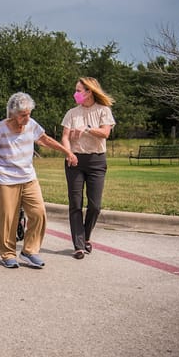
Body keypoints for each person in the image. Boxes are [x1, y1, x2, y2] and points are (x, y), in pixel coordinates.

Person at [0, 92, 78, 269]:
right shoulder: (0, 129)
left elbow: (45, 140)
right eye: (23, 115)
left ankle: (30, 251)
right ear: (13, 114)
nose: (27, 117)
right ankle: (8, 254)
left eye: (29, 114)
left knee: (39, 213)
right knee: (8, 218)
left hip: (28, 178)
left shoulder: (31, 125)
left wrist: (67, 152)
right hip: (6, 180)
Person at [61, 77, 116, 259]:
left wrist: (86, 129)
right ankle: (78, 245)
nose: (75, 94)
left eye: (78, 90)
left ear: (89, 91)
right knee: (75, 204)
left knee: (95, 206)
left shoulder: (103, 111)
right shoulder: (71, 113)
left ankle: (85, 237)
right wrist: (69, 153)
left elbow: (105, 133)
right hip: (75, 161)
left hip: (96, 161)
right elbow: (65, 136)